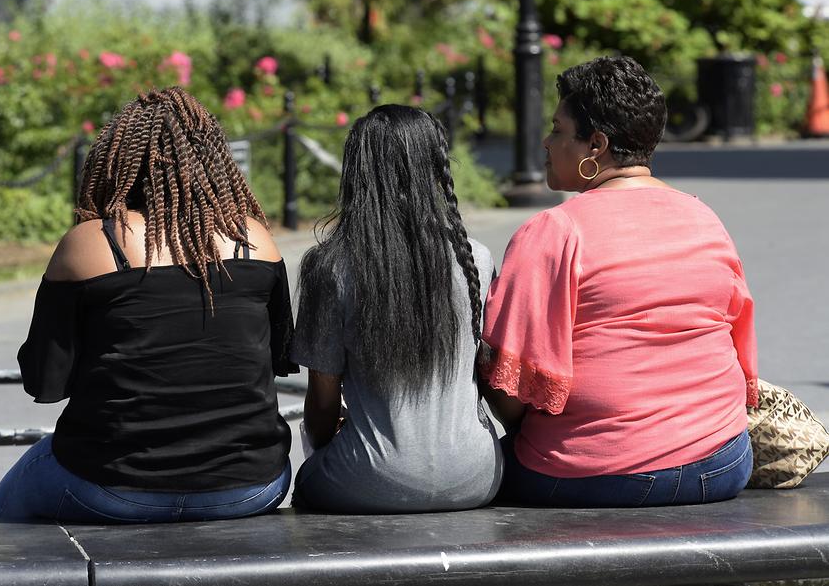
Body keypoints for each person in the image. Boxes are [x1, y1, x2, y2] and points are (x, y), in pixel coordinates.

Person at [0, 87, 297, 523]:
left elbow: (44, 382)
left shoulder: (91, 244)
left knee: (4, 509)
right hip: (252, 485)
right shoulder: (256, 241)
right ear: (214, 163)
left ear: (115, 162)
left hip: (110, 484)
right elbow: (277, 359)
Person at [481, 56, 756, 507]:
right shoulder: (704, 218)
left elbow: (508, 389)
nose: (546, 143)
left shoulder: (554, 231)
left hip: (592, 474)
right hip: (722, 462)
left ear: (596, 145)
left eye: (557, 129)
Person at [291, 104, 502, 513]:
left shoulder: (330, 266)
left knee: (305, 480)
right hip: (476, 476)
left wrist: (326, 447)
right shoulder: (474, 257)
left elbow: (322, 401)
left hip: (370, 476)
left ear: (356, 173)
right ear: (435, 170)